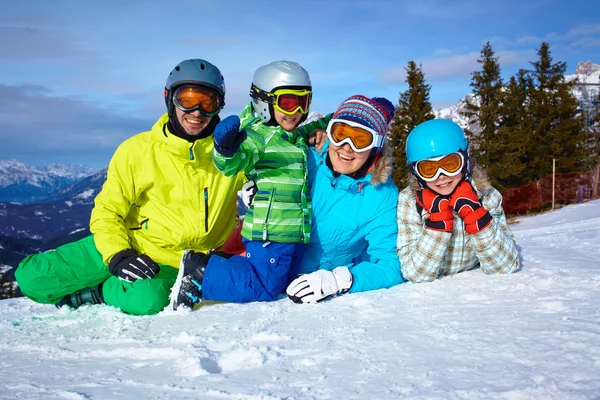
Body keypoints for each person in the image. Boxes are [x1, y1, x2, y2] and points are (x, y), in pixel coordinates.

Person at [15, 59, 246, 315]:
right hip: (129, 241)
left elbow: (269, 175)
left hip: (175, 259)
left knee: (148, 300)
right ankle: (101, 273)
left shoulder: (233, 156)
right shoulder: (137, 151)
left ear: (219, 106)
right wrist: (118, 254)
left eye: (208, 102)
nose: (197, 111)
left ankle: (99, 291)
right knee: (33, 279)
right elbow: (108, 210)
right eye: (188, 99)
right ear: (169, 98)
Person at [170, 60, 331, 309]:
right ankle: (200, 272)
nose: (296, 110)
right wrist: (226, 149)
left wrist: (345, 118)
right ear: (264, 101)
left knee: (283, 282)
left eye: (303, 102)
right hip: (271, 231)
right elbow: (233, 163)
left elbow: (320, 123)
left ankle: (219, 263)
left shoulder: (294, 134)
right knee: (264, 287)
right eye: (287, 102)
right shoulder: (257, 137)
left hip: (293, 230)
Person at [285, 95, 404, 304]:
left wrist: (340, 280)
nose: (347, 147)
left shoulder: (381, 195)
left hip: (311, 285)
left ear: (375, 147)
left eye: (361, 140)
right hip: (272, 268)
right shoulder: (305, 160)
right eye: (341, 134)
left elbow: (390, 264)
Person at [396, 119, 520, 282]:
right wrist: (437, 224)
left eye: (450, 164)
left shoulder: (486, 195)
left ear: (465, 160)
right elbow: (415, 274)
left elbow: (506, 266)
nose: (441, 176)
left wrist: (477, 217)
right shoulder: (410, 202)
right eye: (428, 169)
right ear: (416, 172)